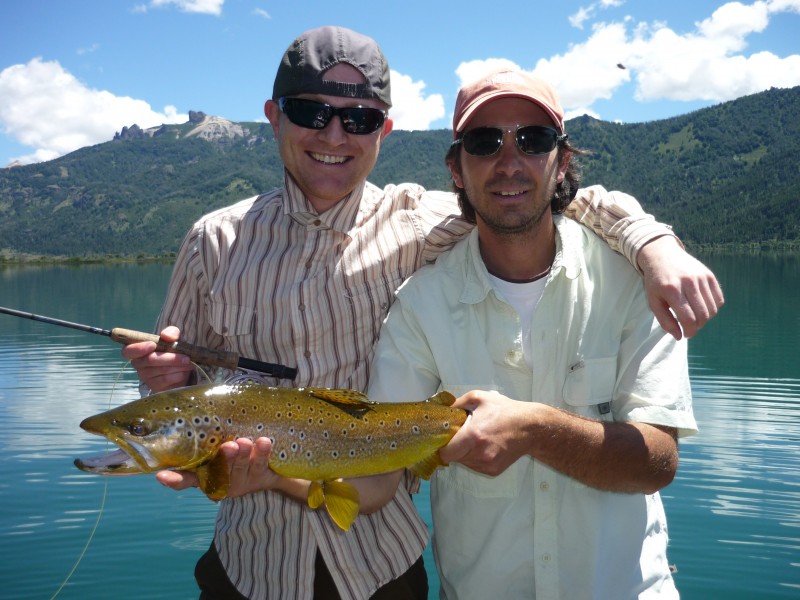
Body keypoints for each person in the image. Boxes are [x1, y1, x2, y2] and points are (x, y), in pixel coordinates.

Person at [122, 27, 722, 600]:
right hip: (251, 564)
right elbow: (186, 395)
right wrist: (169, 381)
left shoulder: (415, 224)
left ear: (383, 130)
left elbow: (550, 201)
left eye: (357, 119)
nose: (334, 135)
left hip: (381, 570)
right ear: (274, 115)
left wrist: (652, 243)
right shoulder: (212, 242)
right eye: (311, 112)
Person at [367, 68, 701, 599]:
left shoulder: (635, 282)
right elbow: (376, 470)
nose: (509, 161)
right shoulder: (420, 303)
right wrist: (268, 466)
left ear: (562, 160)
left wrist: (534, 428)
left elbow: (657, 460)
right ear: (456, 169)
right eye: (484, 141)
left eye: (533, 139)